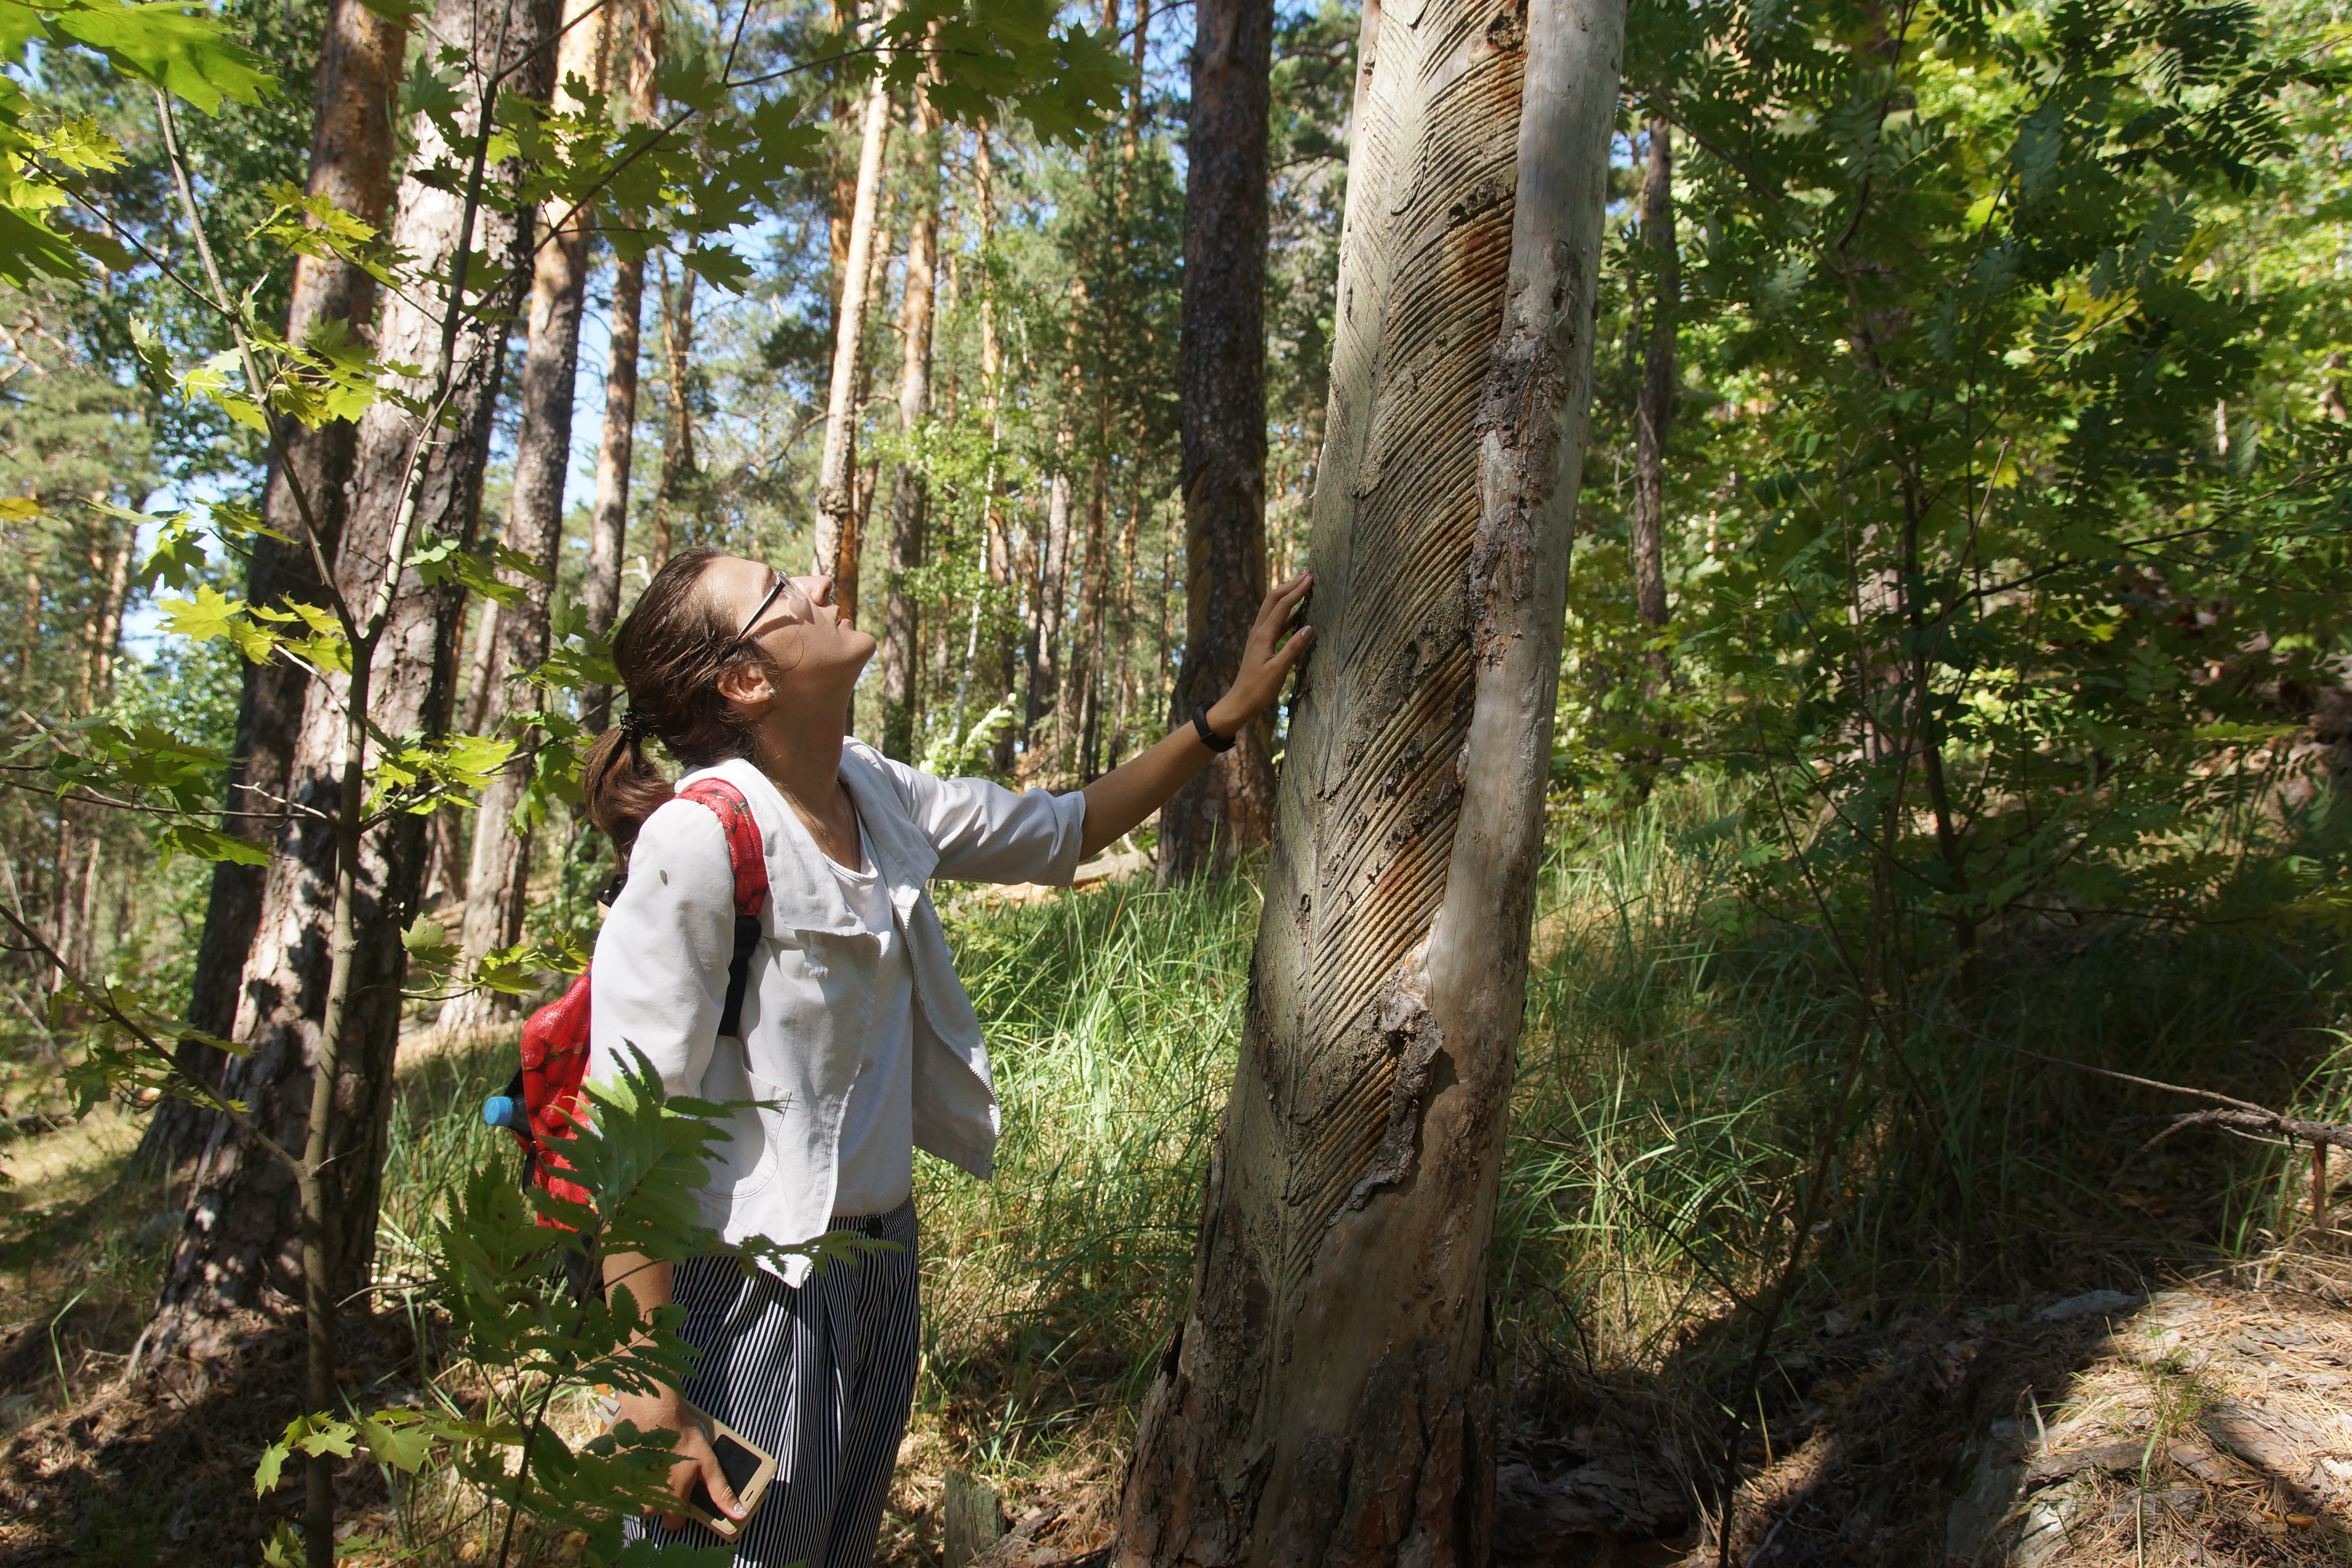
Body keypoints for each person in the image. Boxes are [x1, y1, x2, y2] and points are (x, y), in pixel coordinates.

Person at [579, 547, 1312, 1564]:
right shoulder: (700, 840)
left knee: (836, 1548)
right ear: (745, 680)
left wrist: (1225, 719)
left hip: (882, 1267)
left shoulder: (871, 789)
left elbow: (1065, 829)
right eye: (781, 591)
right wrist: (652, 1394)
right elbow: (623, 1127)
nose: (820, 582)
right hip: (742, 1294)